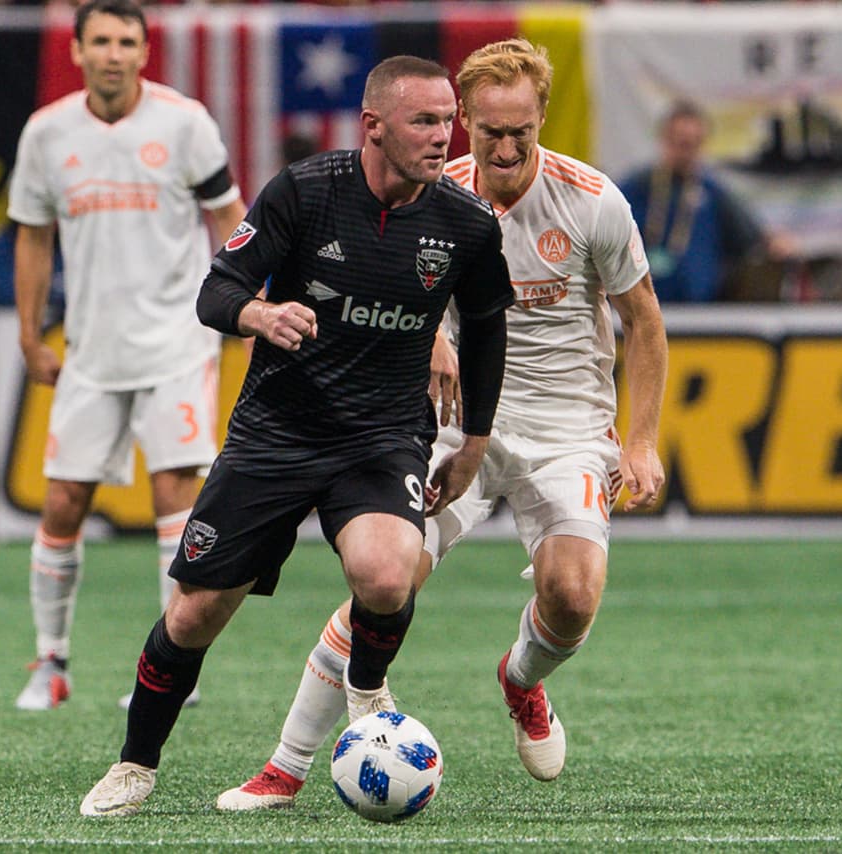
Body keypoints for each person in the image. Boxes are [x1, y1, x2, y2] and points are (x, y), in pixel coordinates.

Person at [215, 37, 668, 811]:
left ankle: (521, 681)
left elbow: (645, 325)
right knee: (385, 583)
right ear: (464, 124)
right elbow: (384, 277)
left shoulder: (592, 200)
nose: (503, 147)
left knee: (573, 595)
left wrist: (644, 440)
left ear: (541, 118)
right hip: (454, 424)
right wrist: (434, 338)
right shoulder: (437, 193)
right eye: (487, 131)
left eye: (519, 131)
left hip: (567, 425)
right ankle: (284, 769)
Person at [78, 54, 513, 818]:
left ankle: (367, 685)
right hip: (275, 434)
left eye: (449, 121)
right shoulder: (306, 192)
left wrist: (473, 442)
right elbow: (219, 291)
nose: (445, 136)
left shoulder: (467, 223)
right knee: (192, 617)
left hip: (382, 437)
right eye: (425, 121)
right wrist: (259, 315)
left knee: (387, 576)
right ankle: (135, 764)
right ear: (373, 126)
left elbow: (485, 331)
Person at [8, 0, 247, 712]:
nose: (114, 53)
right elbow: (32, 236)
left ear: (144, 52)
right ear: (78, 51)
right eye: (101, 41)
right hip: (90, 349)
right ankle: (50, 664)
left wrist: (241, 302)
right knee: (61, 502)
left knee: (175, 496)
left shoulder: (184, 122)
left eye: (127, 42)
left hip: (177, 341)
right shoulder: (48, 134)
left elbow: (230, 215)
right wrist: (28, 334)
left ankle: (173, 663)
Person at [620, 99, 793, 302]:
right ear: (665, 140)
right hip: (640, 309)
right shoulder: (635, 188)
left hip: (700, 315)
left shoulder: (713, 192)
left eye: (694, 144)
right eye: (682, 143)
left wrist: (774, 242)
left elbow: (753, 237)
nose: (687, 152)